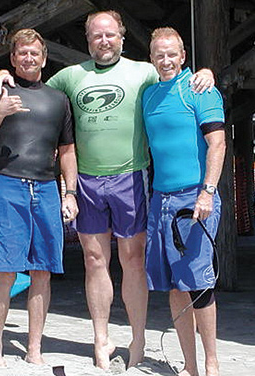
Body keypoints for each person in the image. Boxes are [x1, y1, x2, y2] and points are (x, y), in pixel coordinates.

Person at [0, 10, 214, 370]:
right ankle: (101, 339)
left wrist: (206, 73)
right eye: (96, 36)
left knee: (133, 260)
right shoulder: (71, 76)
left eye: (110, 35)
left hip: (130, 177)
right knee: (95, 261)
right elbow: (33, 80)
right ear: (88, 39)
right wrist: (0, 72)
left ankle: (137, 340)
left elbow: (176, 74)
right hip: (89, 181)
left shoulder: (144, 71)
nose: (104, 41)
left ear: (122, 37)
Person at [0, 29, 78, 367]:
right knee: (4, 271)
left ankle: (35, 348)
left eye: (34, 53)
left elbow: (67, 150)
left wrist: (71, 192)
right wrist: (0, 112)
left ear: (43, 58)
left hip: (46, 188)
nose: (28, 58)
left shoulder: (58, 99)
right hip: (6, 185)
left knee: (42, 271)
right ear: (13, 58)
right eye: (22, 54)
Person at [143, 27, 225, 376]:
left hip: (194, 197)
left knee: (198, 281)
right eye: (159, 54)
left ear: (183, 56)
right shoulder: (147, 95)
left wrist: (207, 191)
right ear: (151, 58)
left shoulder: (200, 89)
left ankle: (211, 363)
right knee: (174, 284)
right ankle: (189, 365)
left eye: (172, 53)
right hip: (160, 198)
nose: (166, 60)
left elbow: (217, 144)